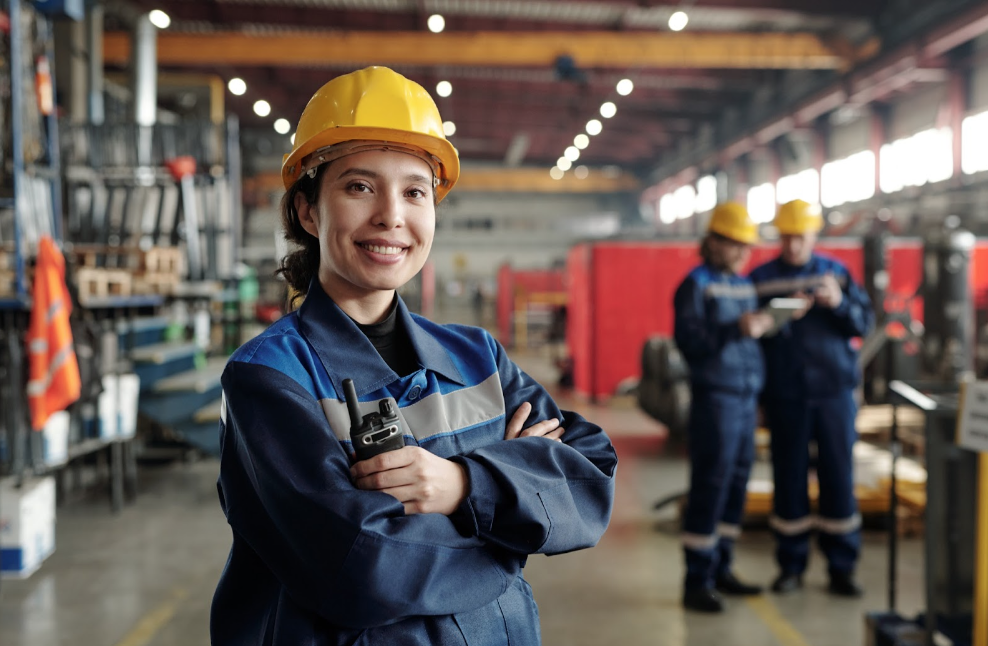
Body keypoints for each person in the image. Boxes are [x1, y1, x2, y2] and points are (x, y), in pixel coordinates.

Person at [210, 67, 618, 645]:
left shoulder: (478, 356)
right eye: (359, 186)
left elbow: (590, 480)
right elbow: (364, 569)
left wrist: (464, 486)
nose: (391, 216)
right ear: (307, 211)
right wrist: (515, 527)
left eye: (414, 191)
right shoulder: (270, 379)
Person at [749, 199, 874, 597]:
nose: (793, 245)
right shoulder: (761, 278)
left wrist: (838, 302)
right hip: (787, 394)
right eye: (786, 237)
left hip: (834, 392)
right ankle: (791, 565)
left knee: (839, 476)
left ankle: (842, 567)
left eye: (800, 237)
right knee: (789, 478)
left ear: (814, 236)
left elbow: (864, 322)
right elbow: (754, 340)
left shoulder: (835, 272)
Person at [673, 202, 774, 613]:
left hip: (746, 397)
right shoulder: (694, 286)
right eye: (735, 245)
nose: (742, 253)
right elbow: (691, 344)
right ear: (713, 241)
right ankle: (696, 580)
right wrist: (738, 329)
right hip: (716, 398)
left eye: (745, 247)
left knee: (736, 484)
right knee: (711, 484)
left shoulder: (745, 284)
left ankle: (722, 568)